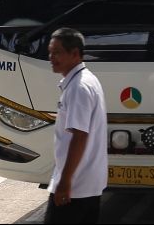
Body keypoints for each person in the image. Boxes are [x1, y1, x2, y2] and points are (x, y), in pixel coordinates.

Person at [45, 27, 107, 224]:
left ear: (75, 54)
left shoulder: (79, 88)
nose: (51, 58)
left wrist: (64, 182)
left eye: (57, 53)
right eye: (50, 52)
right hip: (86, 184)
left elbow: (79, 136)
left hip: (75, 187)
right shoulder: (86, 81)